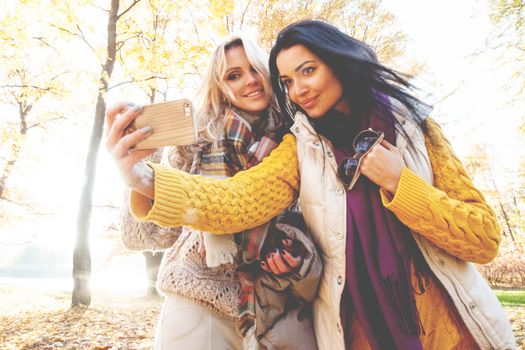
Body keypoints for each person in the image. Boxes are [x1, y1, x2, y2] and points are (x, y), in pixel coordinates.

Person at [106, 20, 516, 350]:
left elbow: (482, 238)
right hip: (356, 332)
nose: (297, 89)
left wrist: (399, 182)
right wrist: (144, 179)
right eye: (286, 80)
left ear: (337, 62)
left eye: (307, 70)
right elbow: (237, 199)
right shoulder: (300, 147)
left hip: (451, 326)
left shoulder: (415, 132)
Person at [109, 35, 321, 350]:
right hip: (199, 305)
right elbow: (145, 237)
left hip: (278, 309)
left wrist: (298, 262)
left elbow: (317, 228)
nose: (250, 81)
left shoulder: (301, 142)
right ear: (219, 85)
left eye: (254, 70)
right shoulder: (196, 140)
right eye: (233, 75)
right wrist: (142, 169)